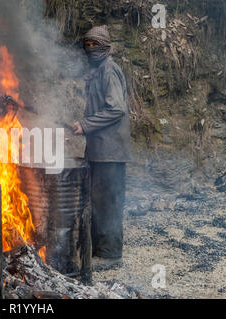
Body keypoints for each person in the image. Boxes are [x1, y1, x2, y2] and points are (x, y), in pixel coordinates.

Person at [71, 25, 132, 269]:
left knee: (108, 202)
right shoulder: (97, 71)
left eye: (95, 44)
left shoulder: (109, 69)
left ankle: (110, 256)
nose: (90, 49)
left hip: (111, 152)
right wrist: (83, 126)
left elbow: (117, 109)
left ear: (105, 46)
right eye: (87, 44)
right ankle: (99, 250)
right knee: (97, 200)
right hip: (99, 150)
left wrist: (85, 125)